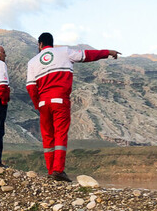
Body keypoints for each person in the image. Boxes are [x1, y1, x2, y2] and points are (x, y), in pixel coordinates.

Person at [26, 32, 120, 182]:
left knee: (48, 138)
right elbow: (86, 55)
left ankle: (51, 170)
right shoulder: (64, 52)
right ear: (52, 43)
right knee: (60, 135)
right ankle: (57, 170)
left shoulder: (32, 62)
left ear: (40, 45)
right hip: (60, 101)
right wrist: (107, 52)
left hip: (44, 103)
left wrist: (38, 105)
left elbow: (31, 87)